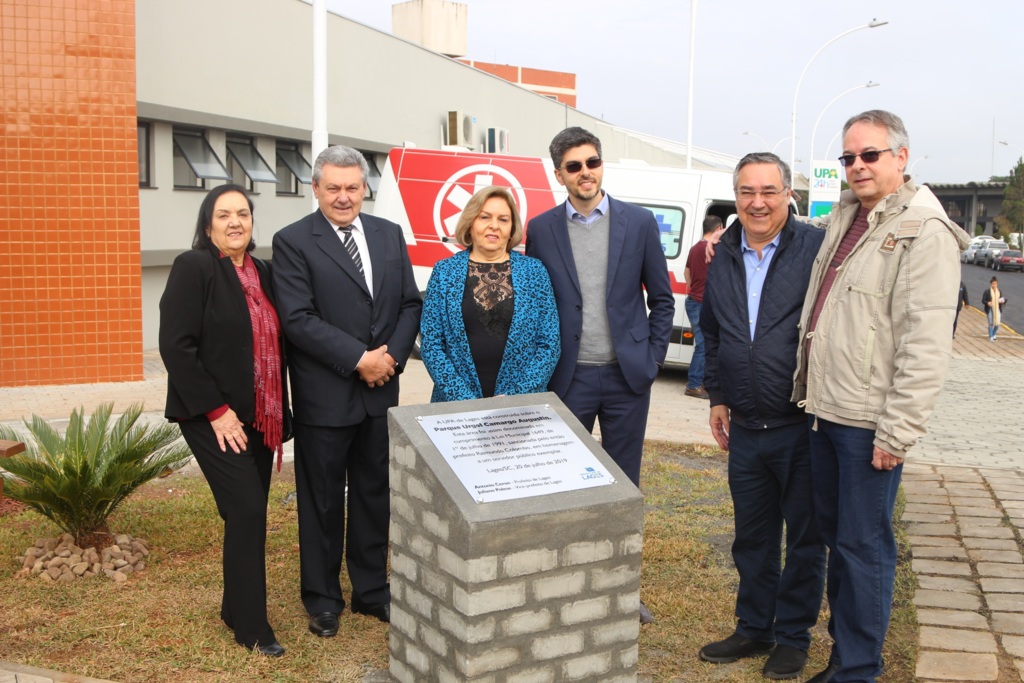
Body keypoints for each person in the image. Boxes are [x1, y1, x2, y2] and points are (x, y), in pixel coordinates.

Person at [792, 110, 970, 683]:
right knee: (838, 545)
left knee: (864, 550)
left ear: (902, 157)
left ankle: (859, 670)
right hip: (826, 410)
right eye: (848, 158)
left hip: (869, 423)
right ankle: (844, 658)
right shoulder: (848, 216)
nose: (857, 166)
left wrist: (897, 432)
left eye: (869, 155)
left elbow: (926, 344)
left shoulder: (924, 228)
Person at [525, 126, 674, 624]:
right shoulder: (541, 229)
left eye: (592, 163)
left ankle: (620, 590)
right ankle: (563, 586)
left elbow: (663, 298)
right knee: (563, 484)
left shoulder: (640, 221)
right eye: (574, 166)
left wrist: (651, 359)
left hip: (627, 377)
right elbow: (537, 303)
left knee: (622, 485)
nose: (585, 173)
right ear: (559, 174)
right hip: (568, 379)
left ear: (601, 165)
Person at [272, 145, 422, 636]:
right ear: (315, 188)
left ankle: (371, 592)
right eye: (332, 187)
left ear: (364, 188)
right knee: (321, 502)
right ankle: (322, 599)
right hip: (326, 397)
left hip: (381, 393)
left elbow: (408, 305)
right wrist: (361, 360)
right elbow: (297, 320)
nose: (343, 197)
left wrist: (389, 360)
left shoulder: (389, 234)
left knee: (375, 495)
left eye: (352, 187)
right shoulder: (293, 241)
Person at [698, 153, 826, 680]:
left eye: (769, 191)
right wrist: (718, 397)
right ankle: (755, 627)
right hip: (747, 429)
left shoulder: (814, 248)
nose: (757, 202)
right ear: (736, 195)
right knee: (751, 538)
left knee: (803, 540)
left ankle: (793, 637)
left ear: (788, 195)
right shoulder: (721, 253)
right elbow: (713, 330)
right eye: (747, 191)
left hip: (801, 425)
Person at [159, 184, 289, 657]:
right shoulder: (194, 267)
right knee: (248, 510)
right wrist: (217, 411)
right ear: (208, 223)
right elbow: (176, 346)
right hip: (211, 413)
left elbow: (280, 341)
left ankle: (234, 607)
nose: (235, 222)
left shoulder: (265, 273)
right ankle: (253, 628)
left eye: (243, 213)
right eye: (224, 214)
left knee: (245, 514)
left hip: (260, 416)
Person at [420, 186, 560, 401]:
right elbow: (432, 345)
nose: (494, 226)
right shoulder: (444, 271)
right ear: (470, 223)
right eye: (485, 217)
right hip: (455, 406)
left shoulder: (535, 272)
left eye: (503, 219)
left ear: (512, 228)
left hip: (520, 406)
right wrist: (464, 399)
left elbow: (549, 344)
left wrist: (514, 397)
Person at [683, 215, 724, 399]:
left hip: (694, 299)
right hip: (700, 302)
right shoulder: (713, 249)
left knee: (705, 343)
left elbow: (687, 272)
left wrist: (693, 289)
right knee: (703, 345)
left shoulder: (694, 248)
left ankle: (702, 382)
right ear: (718, 229)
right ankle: (693, 385)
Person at [982, 276, 1006, 341]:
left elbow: (1000, 300)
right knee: (990, 323)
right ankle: (990, 336)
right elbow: (983, 300)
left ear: (997, 284)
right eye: (993, 284)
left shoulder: (999, 291)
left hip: (997, 309)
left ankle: (993, 334)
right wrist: (987, 303)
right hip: (990, 309)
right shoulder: (987, 291)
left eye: (995, 284)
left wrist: (1002, 301)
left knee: (997, 324)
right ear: (991, 284)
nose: (994, 285)